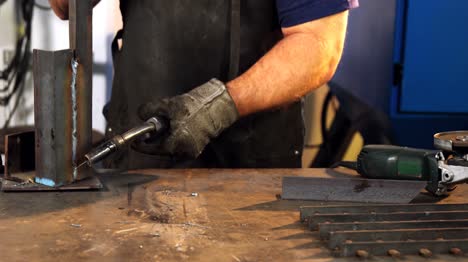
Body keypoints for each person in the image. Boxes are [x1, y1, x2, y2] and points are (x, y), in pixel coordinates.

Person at [49, 0, 358, 169]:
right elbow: (66, 6)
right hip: (140, 155)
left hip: (249, 170)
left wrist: (220, 106)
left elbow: (320, 46)